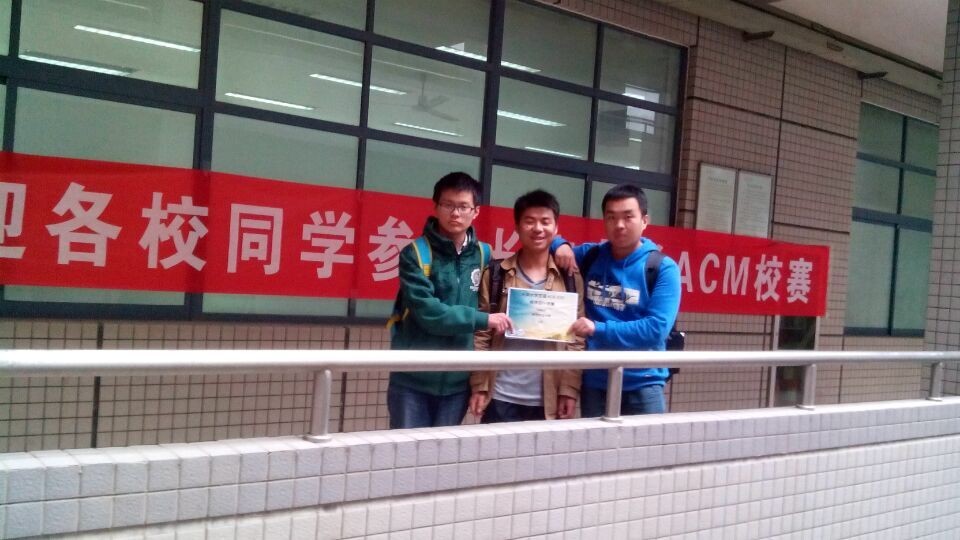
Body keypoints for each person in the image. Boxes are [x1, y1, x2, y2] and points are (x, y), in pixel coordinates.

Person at [387, 172, 512, 429]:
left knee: (444, 451)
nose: (455, 213)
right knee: (406, 450)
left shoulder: (483, 254)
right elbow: (428, 313)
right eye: (448, 205)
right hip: (412, 381)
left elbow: (489, 303)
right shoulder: (416, 253)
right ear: (436, 207)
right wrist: (483, 320)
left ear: (476, 211)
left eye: (463, 206)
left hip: (458, 382)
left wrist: (560, 245)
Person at [553, 183, 681, 417]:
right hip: (595, 381)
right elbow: (545, 244)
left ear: (644, 220)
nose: (619, 225)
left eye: (628, 217)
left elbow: (656, 329)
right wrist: (559, 245)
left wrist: (597, 329)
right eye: (611, 217)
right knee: (596, 442)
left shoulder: (662, 268)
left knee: (647, 442)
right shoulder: (590, 256)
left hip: (643, 384)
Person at [469, 190, 584, 422]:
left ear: (556, 228)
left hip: (548, 400)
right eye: (529, 221)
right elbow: (482, 334)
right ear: (517, 227)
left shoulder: (570, 278)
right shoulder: (496, 274)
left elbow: (577, 340)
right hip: (500, 395)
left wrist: (569, 390)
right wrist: (479, 385)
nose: (538, 228)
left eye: (545, 221)